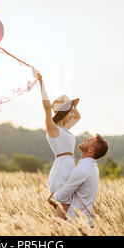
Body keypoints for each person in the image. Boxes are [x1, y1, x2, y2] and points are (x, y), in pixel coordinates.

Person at [33, 69, 81, 212]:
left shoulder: (65, 128)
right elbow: (47, 108)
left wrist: (71, 105)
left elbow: (78, 117)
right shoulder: (53, 129)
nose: (73, 115)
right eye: (70, 112)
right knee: (64, 210)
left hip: (69, 166)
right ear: (64, 113)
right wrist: (41, 81)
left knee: (70, 210)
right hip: (62, 170)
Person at [48, 134, 109, 227]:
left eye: (88, 140)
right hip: (82, 222)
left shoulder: (82, 169)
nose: (85, 139)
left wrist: (53, 197)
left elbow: (61, 196)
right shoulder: (91, 167)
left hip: (76, 224)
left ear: (91, 150)